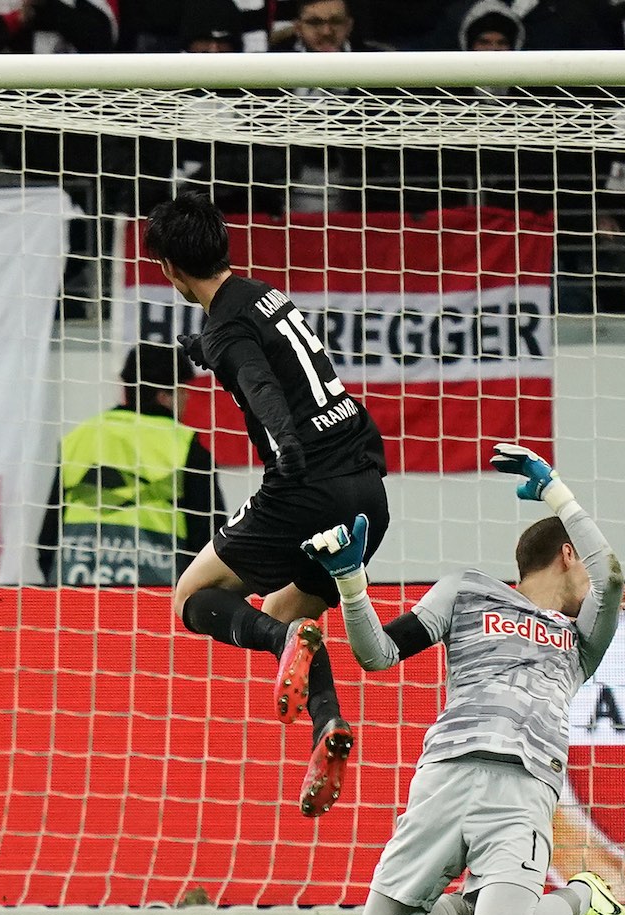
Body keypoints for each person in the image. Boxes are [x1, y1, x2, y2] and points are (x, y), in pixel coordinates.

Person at [302, 443, 625, 915]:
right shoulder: (466, 591)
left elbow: (611, 575)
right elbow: (378, 654)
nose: (595, 575)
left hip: (524, 783)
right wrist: (351, 584)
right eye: (585, 559)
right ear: (568, 554)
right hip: (445, 774)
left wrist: (555, 491)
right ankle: (471, 902)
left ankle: (581, 896)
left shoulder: (583, 637)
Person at [147, 191, 390, 819]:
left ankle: (290, 646)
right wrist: (202, 349)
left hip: (305, 486)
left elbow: (261, 387)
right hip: (367, 490)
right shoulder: (263, 295)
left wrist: (285, 452)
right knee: (284, 614)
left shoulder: (226, 327)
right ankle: (328, 723)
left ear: (169, 268)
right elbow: (272, 359)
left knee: (191, 596)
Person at [38, 342, 225, 587]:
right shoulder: (186, 446)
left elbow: (47, 540)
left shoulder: (79, 438)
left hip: (74, 592)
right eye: (183, 390)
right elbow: (212, 543)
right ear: (165, 395)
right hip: (156, 597)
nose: (187, 397)